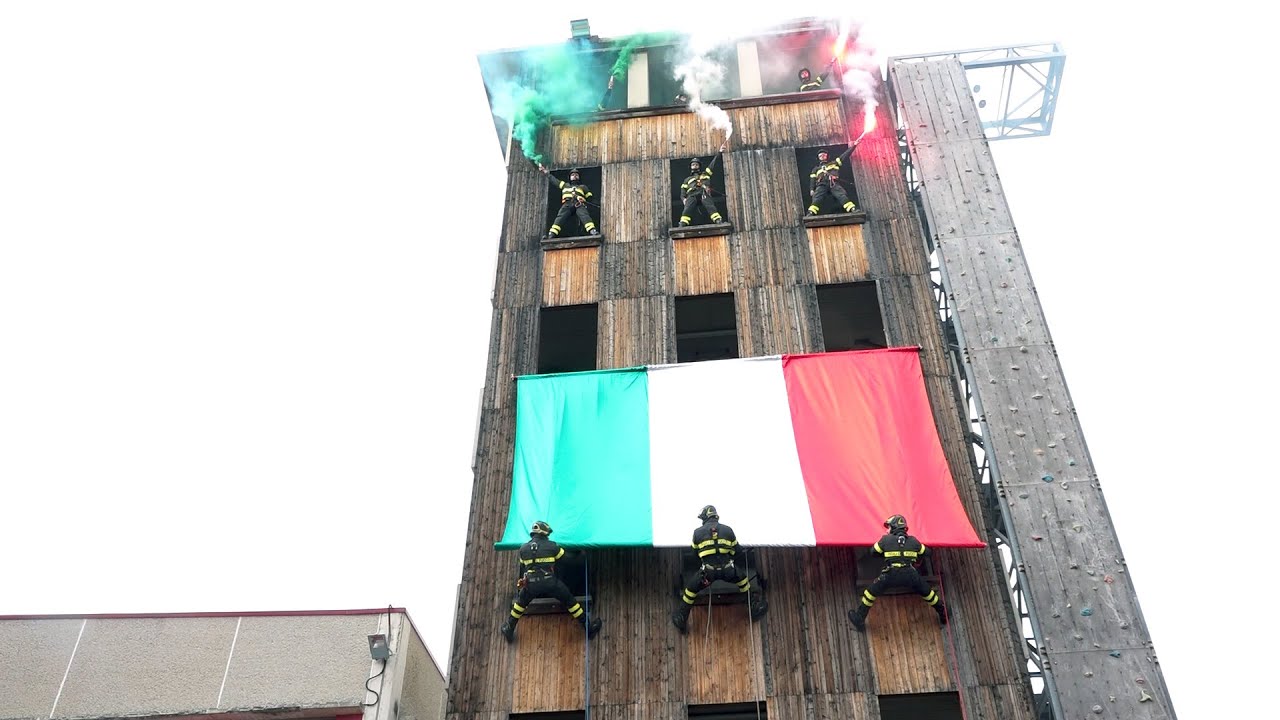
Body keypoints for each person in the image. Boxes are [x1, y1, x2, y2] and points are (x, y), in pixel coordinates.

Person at [501, 520, 603, 642]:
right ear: (544, 533)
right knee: (571, 602)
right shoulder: (552, 546)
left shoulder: (523, 549)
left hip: (531, 584)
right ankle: (588, 628)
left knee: (520, 605)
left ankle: (509, 628)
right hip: (550, 582)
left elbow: (524, 567)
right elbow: (568, 560)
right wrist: (581, 553)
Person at [671, 505, 767, 633]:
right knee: (743, 581)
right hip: (728, 570)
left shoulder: (697, 533)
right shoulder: (728, 530)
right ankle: (754, 606)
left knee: (690, 590)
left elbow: (694, 556)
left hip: (707, 573)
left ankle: (682, 617)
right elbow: (738, 551)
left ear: (705, 517)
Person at [848, 514, 948, 631]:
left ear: (894, 527)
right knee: (928, 593)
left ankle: (859, 618)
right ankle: (943, 613)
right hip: (911, 574)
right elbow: (927, 552)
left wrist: (887, 552)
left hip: (891, 575)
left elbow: (873, 552)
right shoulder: (914, 541)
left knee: (870, 593)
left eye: (889, 527)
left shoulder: (886, 540)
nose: (887, 530)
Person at [540, 166, 599, 238]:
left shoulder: (583, 187)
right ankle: (551, 235)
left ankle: (592, 231)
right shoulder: (564, 185)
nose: (574, 176)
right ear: (570, 177)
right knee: (560, 218)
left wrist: (584, 200)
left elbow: (590, 198)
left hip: (578, 204)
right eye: (573, 175)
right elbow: (554, 180)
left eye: (576, 175)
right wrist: (546, 173)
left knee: (584, 215)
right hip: (567, 204)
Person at [678, 143, 727, 227]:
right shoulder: (687, 180)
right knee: (687, 210)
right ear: (690, 167)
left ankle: (718, 220)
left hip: (703, 193)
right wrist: (683, 199)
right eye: (693, 165)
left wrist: (720, 152)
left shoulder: (706, 174)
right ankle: (682, 224)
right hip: (692, 195)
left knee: (710, 206)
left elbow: (713, 164)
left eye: (696, 164)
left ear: (699, 166)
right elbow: (683, 192)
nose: (695, 166)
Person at [807, 144, 858, 215]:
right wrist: (812, 189)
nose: (822, 156)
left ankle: (852, 209)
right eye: (820, 156)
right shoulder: (815, 169)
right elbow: (812, 179)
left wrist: (854, 145)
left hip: (833, 183)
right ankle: (811, 212)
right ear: (818, 158)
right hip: (821, 184)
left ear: (827, 156)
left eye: (824, 155)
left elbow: (845, 155)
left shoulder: (834, 163)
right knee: (817, 197)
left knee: (841, 195)